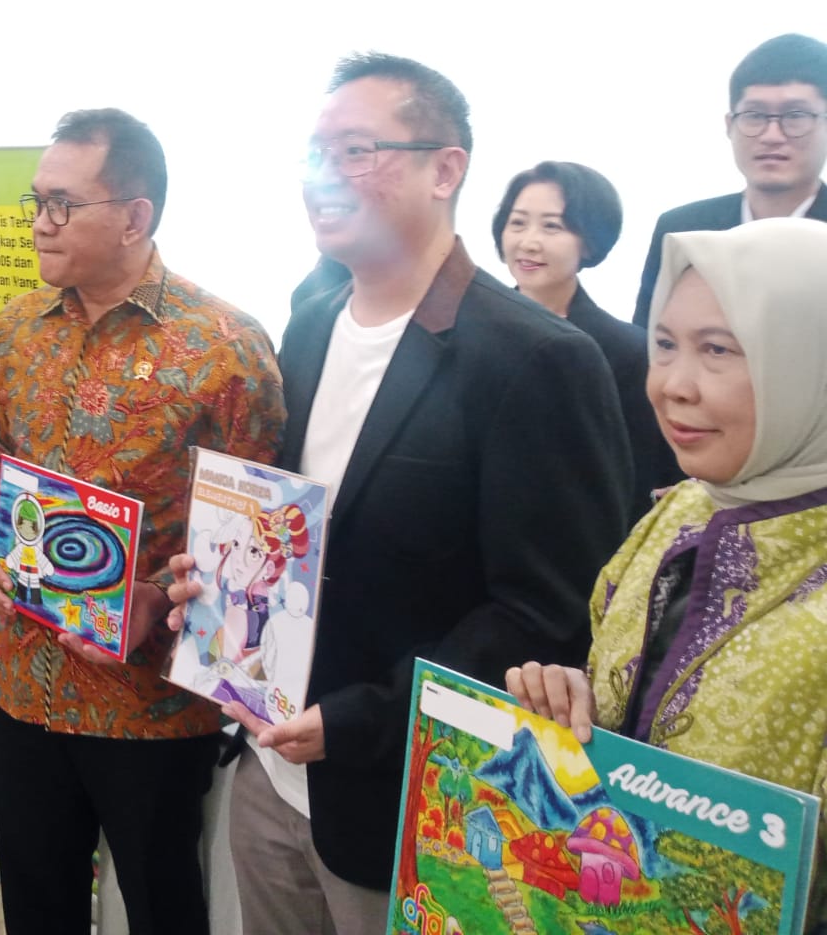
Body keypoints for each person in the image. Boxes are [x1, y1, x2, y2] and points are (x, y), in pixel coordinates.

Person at [170, 55, 632, 935]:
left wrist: (361, 720)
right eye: (315, 153)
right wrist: (218, 582)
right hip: (269, 770)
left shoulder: (534, 360)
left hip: (411, 801)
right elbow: (294, 528)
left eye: (357, 150)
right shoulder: (310, 324)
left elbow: (547, 611)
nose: (325, 176)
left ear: (445, 168)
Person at [0, 108, 285, 935]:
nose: (40, 222)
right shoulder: (20, 329)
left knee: (161, 902)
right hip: (22, 679)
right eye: (37, 201)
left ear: (135, 217)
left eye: (62, 205)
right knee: (37, 901)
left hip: (149, 701)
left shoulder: (225, 348)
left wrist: (159, 600)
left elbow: (260, 546)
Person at [509, 218, 827, 931]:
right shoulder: (682, 509)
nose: (672, 386)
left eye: (717, 350)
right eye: (663, 345)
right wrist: (575, 702)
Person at [494, 161, 682, 516]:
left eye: (552, 226)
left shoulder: (627, 352)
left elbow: (635, 477)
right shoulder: (467, 330)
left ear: (590, 242)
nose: (528, 242)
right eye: (517, 223)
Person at [633, 33, 827, 326]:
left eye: (795, 115)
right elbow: (649, 341)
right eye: (755, 115)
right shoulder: (682, 229)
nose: (772, 135)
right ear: (729, 125)